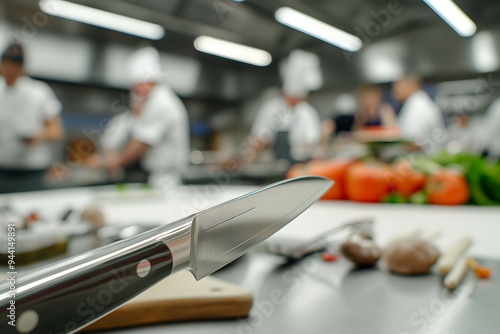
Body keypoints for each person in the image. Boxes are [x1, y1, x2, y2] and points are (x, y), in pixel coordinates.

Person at [87, 46, 190, 187]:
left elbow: (140, 144)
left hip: (165, 179)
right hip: (152, 176)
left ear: (147, 82)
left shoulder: (161, 103)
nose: (135, 92)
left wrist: (111, 163)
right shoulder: (153, 102)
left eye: (136, 86)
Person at [0, 42, 64, 193]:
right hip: (1, 171)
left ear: (22, 67)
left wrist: (39, 135)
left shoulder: (39, 92)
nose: (9, 71)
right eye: (6, 65)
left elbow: (57, 131)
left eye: (14, 67)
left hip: (32, 172)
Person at [246, 50, 322, 165]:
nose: (295, 101)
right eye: (292, 97)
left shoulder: (308, 112)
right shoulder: (270, 109)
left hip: (301, 169)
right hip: (274, 166)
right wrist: (258, 145)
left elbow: (315, 145)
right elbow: (257, 138)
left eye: (297, 98)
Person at [392, 75, 445, 143]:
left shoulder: (417, 106)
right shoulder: (416, 103)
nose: (394, 89)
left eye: (398, 84)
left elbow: (411, 141)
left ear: (410, 84)